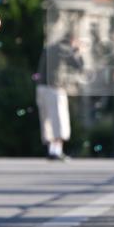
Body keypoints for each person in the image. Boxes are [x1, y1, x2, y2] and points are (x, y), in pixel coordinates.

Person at [35, 31, 84, 160]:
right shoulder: (65, 49)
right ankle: (57, 150)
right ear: (72, 40)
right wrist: (77, 50)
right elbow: (79, 65)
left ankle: (51, 150)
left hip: (41, 87)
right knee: (59, 119)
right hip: (55, 87)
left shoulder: (49, 48)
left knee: (46, 119)